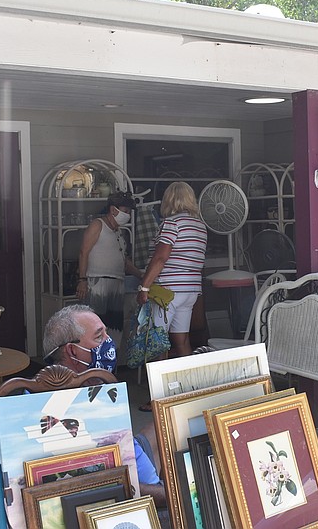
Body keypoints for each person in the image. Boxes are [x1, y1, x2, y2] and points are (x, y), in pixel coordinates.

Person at [41, 304, 167, 507]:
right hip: (137, 490)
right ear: (72, 350)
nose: (110, 343)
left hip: (128, 459)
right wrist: (175, 496)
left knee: (162, 424)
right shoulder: (79, 408)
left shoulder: (31, 394)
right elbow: (131, 487)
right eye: (99, 337)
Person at [136, 181, 207, 359]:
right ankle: (187, 383)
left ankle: (159, 385)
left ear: (169, 200)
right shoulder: (200, 226)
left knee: (158, 341)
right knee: (182, 340)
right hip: (190, 291)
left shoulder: (172, 223)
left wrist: (144, 287)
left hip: (167, 292)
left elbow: (160, 258)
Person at [76, 191, 142, 341]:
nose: (128, 215)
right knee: (94, 328)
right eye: (125, 211)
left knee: (114, 329)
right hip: (97, 282)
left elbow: (124, 262)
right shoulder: (98, 225)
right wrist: (82, 279)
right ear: (113, 210)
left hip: (117, 284)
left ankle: (111, 361)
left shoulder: (118, 232)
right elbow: (83, 251)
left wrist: (141, 275)